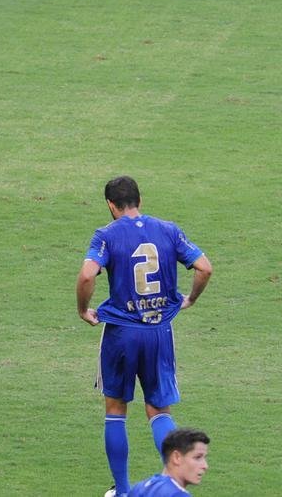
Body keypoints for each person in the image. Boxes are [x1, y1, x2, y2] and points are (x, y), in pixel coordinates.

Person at [75, 176, 213, 497]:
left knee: (115, 409)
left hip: (122, 333)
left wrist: (84, 310)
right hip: (159, 333)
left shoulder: (106, 235)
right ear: (140, 200)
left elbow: (86, 275)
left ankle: (122, 492)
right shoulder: (168, 230)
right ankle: (174, 485)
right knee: (158, 410)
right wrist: (190, 299)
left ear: (111, 205)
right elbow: (204, 267)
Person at [128, 428, 210, 495]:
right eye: (197, 457)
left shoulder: (139, 487)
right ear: (177, 457)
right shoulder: (177, 494)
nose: (205, 466)